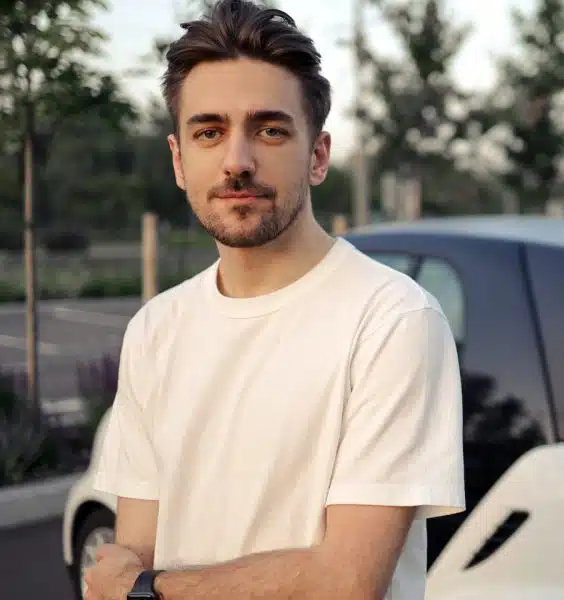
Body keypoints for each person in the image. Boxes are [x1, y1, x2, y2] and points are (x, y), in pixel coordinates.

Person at [82, 1, 465, 598]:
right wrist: (132, 579)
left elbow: (345, 583)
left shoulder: (392, 319)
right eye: (209, 132)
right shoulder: (157, 328)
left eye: (269, 129)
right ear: (180, 161)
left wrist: (147, 590)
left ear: (317, 155)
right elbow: (134, 550)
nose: (237, 161)